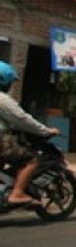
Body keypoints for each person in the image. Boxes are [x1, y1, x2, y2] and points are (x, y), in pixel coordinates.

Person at [0, 61, 61, 206]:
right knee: (31, 159)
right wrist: (45, 131)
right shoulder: (3, 100)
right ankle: (17, 193)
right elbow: (22, 119)